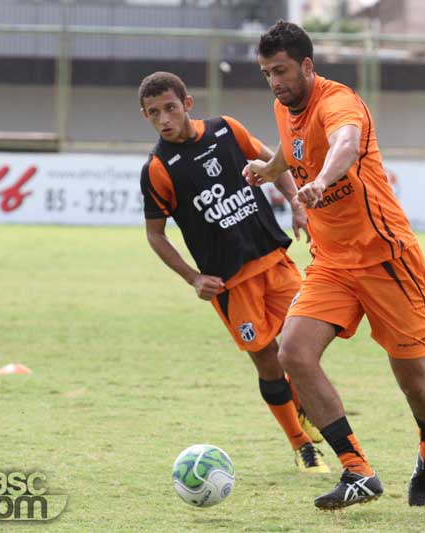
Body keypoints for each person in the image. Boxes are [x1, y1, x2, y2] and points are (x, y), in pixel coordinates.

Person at [243, 22, 425, 509]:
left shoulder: (339, 103)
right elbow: (295, 153)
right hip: (333, 263)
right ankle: (358, 471)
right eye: (268, 73)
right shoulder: (282, 106)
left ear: (307, 66)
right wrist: (272, 170)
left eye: (283, 71)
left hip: (386, 259)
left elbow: (344, 146)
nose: (275, 82)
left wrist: (322, 181)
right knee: (292, 352)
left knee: (414, 380)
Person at [137, 71, 329, 474]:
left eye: (170, 108)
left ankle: (307, 405)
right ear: (146, 117)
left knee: (302, 345)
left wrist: (295, 202)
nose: (164, 119)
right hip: (230, 283)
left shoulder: (227, 130)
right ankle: (301, 446)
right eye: (154, 113)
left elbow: (272, 164)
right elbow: (155, 235)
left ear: (187, 104)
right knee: (268, 362)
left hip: (275, 261)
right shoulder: (158, 168)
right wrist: (193, 277)